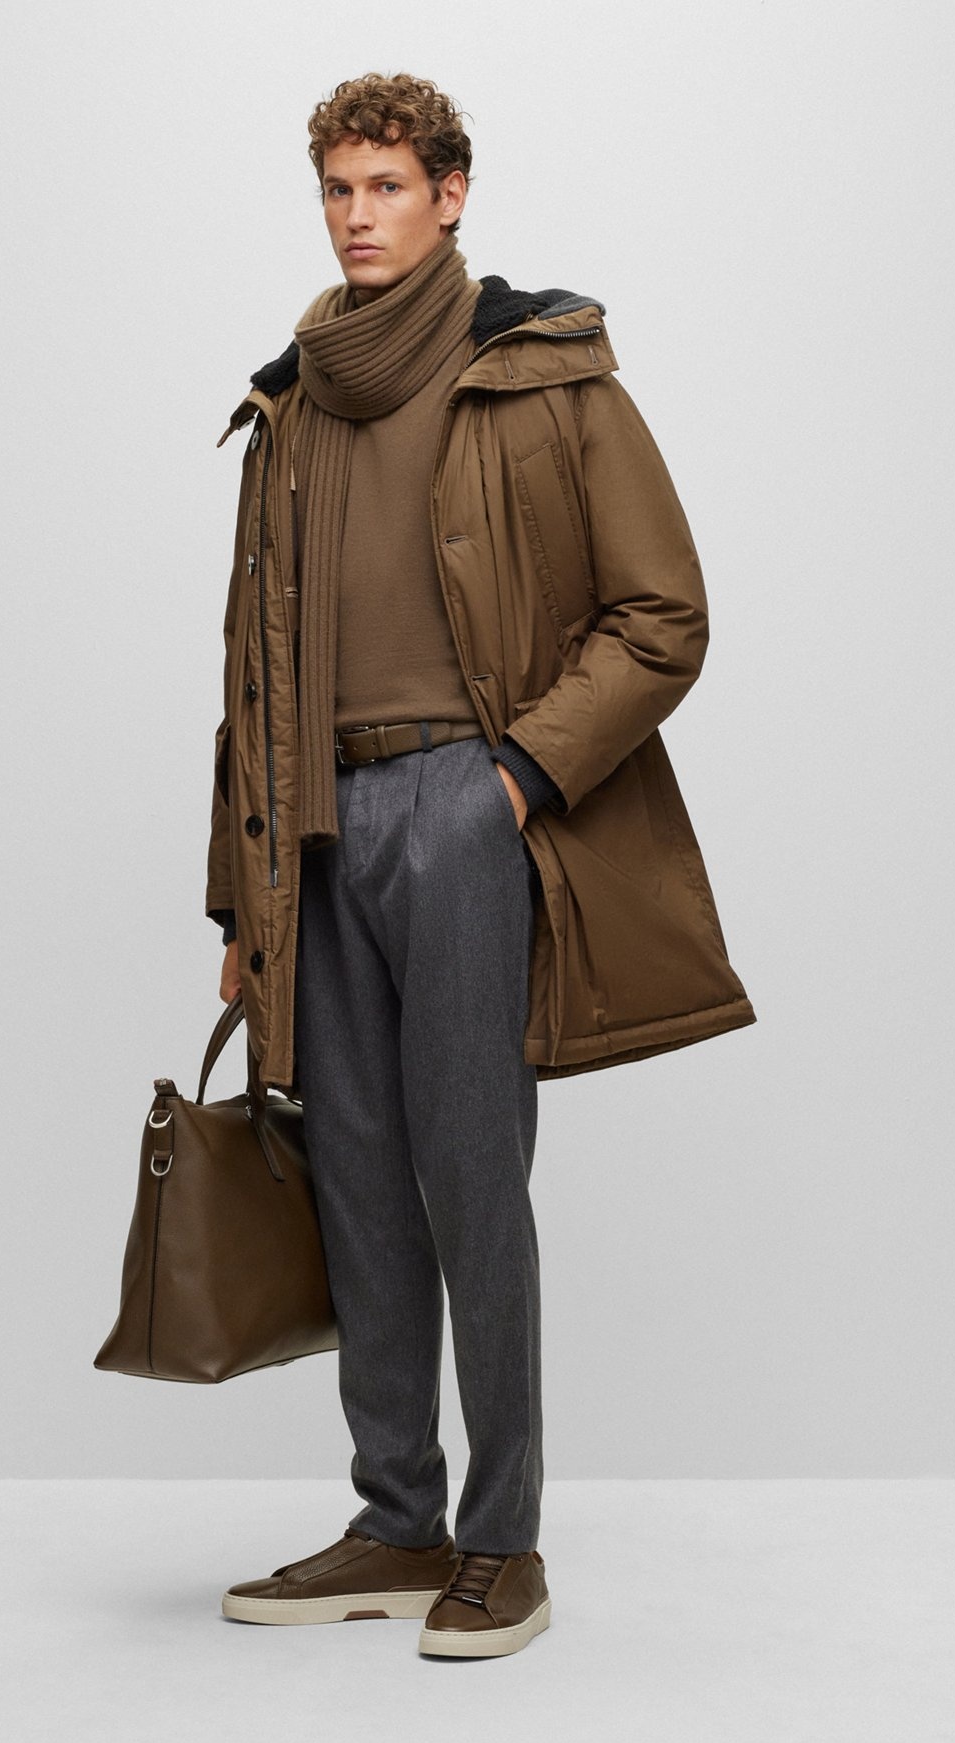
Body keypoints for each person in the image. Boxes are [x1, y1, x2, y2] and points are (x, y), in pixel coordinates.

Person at [205, 71, 755, 1660]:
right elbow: (249, 673)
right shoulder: (289, 406)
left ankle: (503, 1540)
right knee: (356, 1178)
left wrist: (511, 780)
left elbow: (664, 614)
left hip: (466, 800)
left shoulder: (542, 371)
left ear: (451, 194)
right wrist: (242, 897)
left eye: (386, 185)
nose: (356, 215)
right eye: (337, 188)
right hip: (316, 828)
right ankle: (398, 1516)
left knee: (467, 1173)